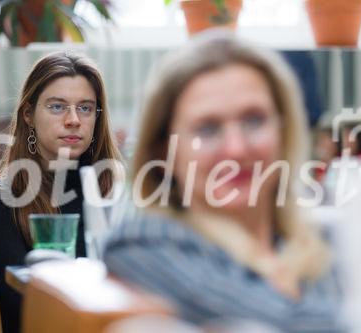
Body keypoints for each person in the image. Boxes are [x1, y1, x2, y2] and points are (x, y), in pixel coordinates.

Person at [103, 32, 343, 332]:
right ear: (163, 151)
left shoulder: (333, 239)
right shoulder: (143, 243)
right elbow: (285, 323)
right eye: (207, 128)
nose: (236, 149)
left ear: (283, 131)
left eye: (254, 120)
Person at [0, 52, 120, 333]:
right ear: (29, 114)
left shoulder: (115, 193)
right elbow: (26, 306)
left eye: (86, 108)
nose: (74, 120)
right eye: (58, 107)